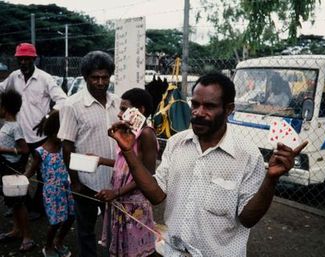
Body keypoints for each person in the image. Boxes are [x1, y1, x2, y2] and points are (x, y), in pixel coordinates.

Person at [107, 72, 307, 256]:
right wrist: (128, 151)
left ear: (228, 109)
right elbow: (156, 195)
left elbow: (248, 218)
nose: (198, 112)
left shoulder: (247, 155)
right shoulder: (177, 143)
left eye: (209, 106)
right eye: (195, 105)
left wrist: (271, 180)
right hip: (172, 252)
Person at [57, 50, 120, 257]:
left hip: (115, 179)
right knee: (86, 230)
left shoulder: (117, 102)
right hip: (86, 180)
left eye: (105, 77)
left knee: (115, 227)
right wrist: (75, 182)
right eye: (95, 77)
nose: (101, 82)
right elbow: (67, 146)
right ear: (86, 78)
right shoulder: (72, 105)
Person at [0, 43, 68, 216]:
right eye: (20, 59)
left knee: (42, 175)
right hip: (20, 136)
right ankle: (20, 205)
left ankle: (38, 208)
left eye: (27, 59)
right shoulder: (14, 77)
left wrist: (47, 118)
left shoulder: (45, 78)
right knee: (18, 174)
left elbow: (62, 100)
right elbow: (1, 88)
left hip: (40, 135)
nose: (23, 62)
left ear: (34, 59)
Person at [95, 88, 157, 257]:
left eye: (124, 109)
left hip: (134, 204)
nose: (119, 114)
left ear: (141, 110)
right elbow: (126, 164)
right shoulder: (128, 132)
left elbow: (147, 175)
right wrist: (101, 160)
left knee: (135, 250)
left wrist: (116, 192)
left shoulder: (146, 134)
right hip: (121, 200)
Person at [24, 110, 75, 257]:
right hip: (52, 193)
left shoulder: (63, 148)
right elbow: (31, 171)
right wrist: (21, 179)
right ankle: (48, 246)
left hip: (67, 188)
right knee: (55, 222)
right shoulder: (41, 152)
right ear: (54, 132)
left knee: (71, 217)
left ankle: (59, 241)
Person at [0, 90, 35, 252]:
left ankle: (27, 236)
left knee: (19, 204)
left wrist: (3, 149)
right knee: (12, 203)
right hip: (5, 169)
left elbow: (24, 149)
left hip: (13, 170)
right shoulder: (6, 126)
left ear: (4, 108)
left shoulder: (15, 127)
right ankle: (16, 230)